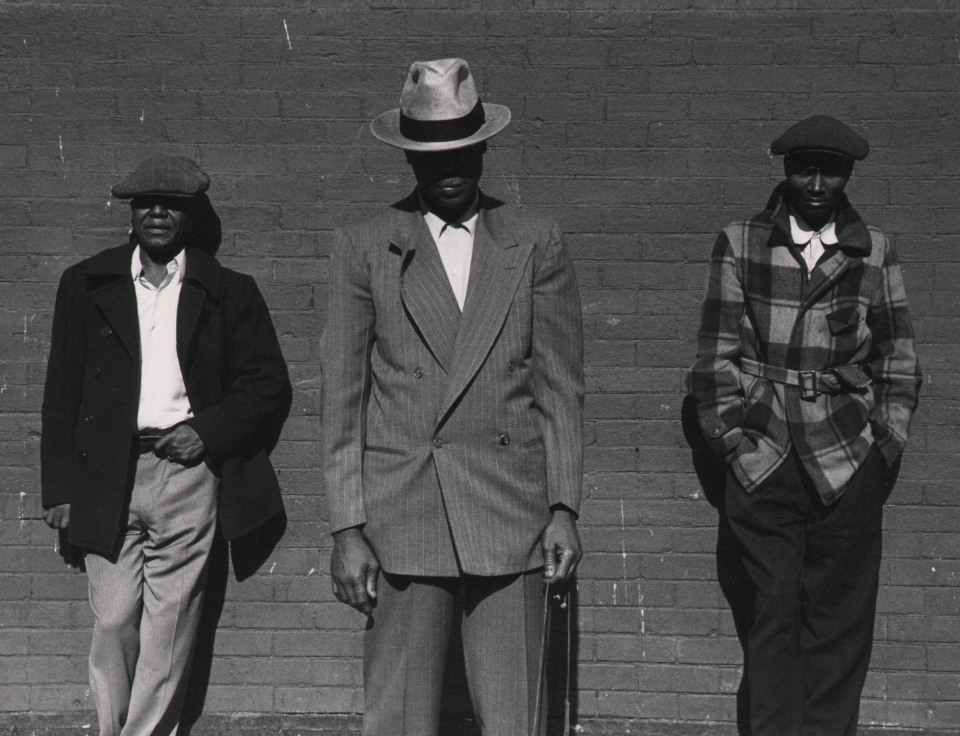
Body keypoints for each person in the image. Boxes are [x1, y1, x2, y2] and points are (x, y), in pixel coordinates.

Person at [320, 58, 584, 736]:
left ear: (485, 147)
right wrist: (347, 529)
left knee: (514, 716)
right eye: (432, 153)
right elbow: (343, 400)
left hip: (511, 511)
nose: (450, 167)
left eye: (463, 149)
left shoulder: (533, 241)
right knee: (400, 718)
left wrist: (563, 507)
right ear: (409, 157)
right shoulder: (365, 246)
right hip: (404, 510)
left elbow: (559, 385)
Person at [41, 155, 292, 736]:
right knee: (113, 619)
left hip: (187, 475)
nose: (158, 212)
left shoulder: (229, 291)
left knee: (170, 625)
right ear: (131, 212)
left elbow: (267, 385)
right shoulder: (86, 283)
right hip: (106, 472)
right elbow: (62, 390)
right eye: (146, 202)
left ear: (190, 213)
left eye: (172, 204)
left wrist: (206, 430)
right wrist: (59, 489)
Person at [688, 115, 922, 736]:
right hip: (764, 458)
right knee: (772, 617)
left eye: (832, 170)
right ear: (786, 171)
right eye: (804, 168)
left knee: (840, 625)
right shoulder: (742, 241)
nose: (817, 183)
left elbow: (899, 362)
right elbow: (714, 359)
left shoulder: (872, 249)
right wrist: (733, 443)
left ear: (848, 176)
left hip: (848, 460)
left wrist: (885, 446)